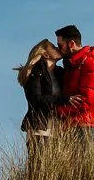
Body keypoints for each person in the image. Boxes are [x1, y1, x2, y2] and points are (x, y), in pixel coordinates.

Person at [51, 24, 94, 147]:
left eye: (60, 45)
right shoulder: (72, 66)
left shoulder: (90, 62)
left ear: (71, 44)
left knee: (78, 164)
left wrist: (57, 112)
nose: (58, 49)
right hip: (72, 124)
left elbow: (87, 100)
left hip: (81, 126)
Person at [14, 38, 61, 169]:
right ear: (45, 54)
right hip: (39, 129)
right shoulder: (35, 72)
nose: (57, 48)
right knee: (39, 170)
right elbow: (35, 99)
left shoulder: (60, 73)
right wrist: (63, 100)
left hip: (59, 130)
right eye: (53, 47)